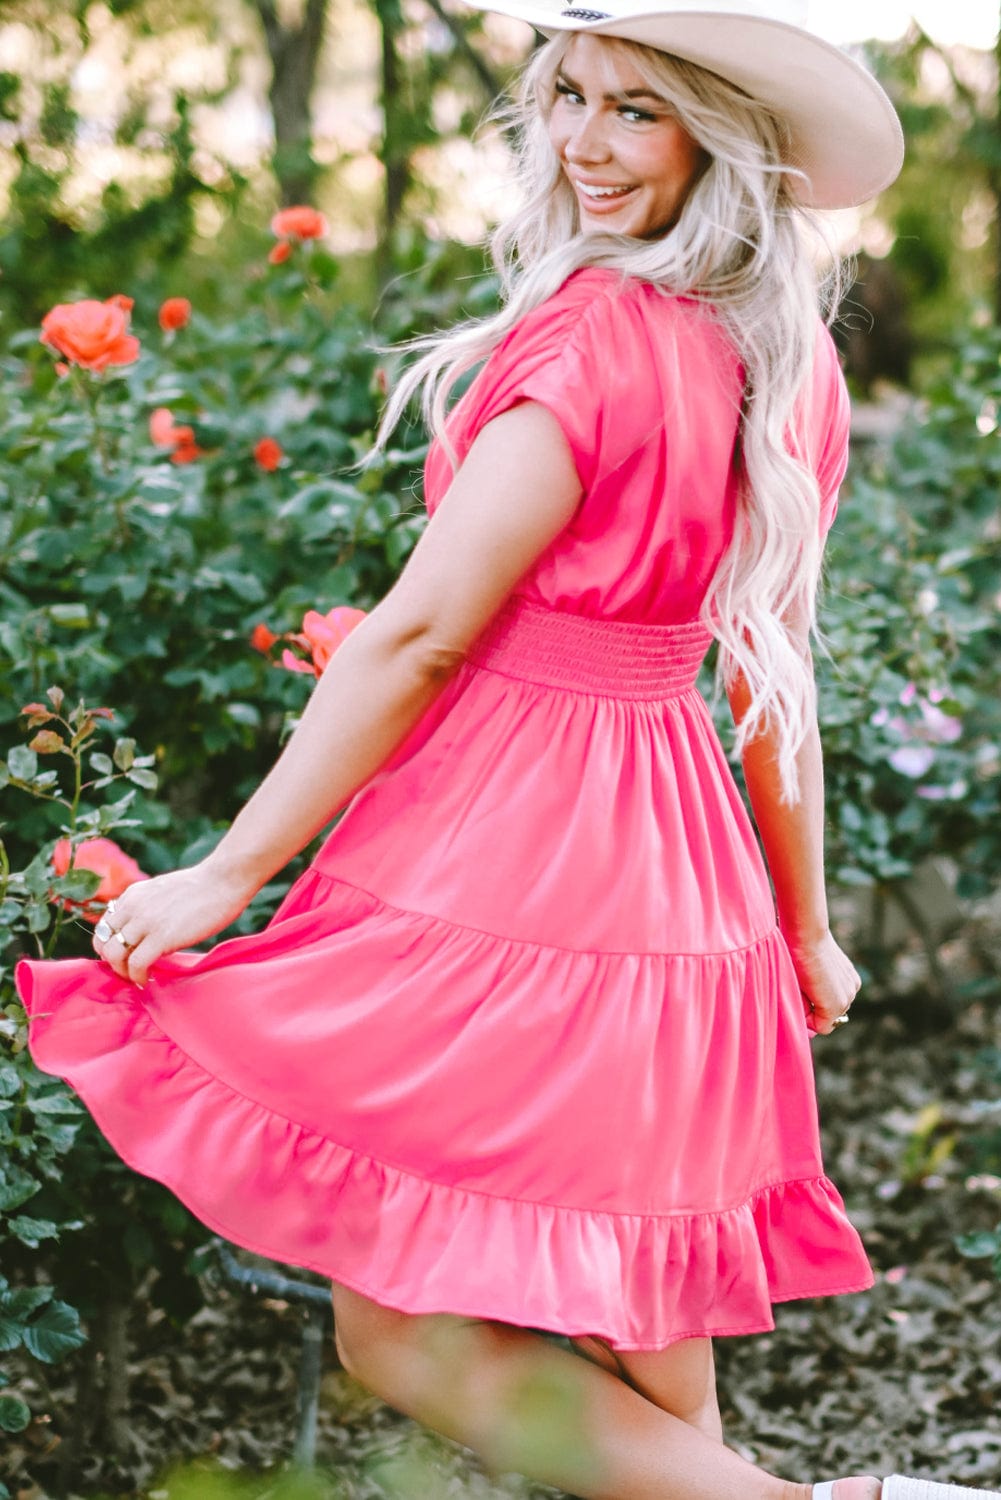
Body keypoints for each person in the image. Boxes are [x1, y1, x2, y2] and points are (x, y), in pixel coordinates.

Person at [14, 2, 997, 1497]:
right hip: (685, 903)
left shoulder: (594, 336)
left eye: (634, 113)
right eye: (569, 99)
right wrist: (796, 927)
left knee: (400, 1339)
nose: (581, 146)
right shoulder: (787, 364)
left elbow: (417, 636)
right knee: (644, 1365)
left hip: (511, 863)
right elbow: (764, 678)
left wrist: (227, 871)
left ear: (715, 140)